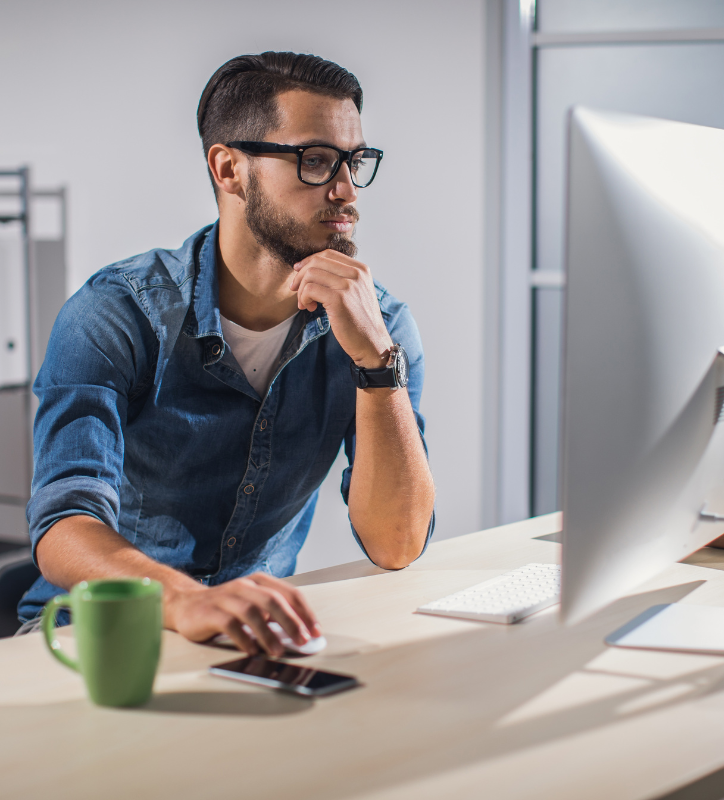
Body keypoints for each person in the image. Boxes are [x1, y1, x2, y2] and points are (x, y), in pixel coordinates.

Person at [17, 51, 436, 656]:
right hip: (92, 639)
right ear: (229, 169)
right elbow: (63, 527)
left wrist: (377, 363)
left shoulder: (381, 328)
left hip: (252, 638)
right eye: (315, 161)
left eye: (355, 161)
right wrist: (187, 601)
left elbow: (397, 543)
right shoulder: (115, 314)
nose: (346, 191)